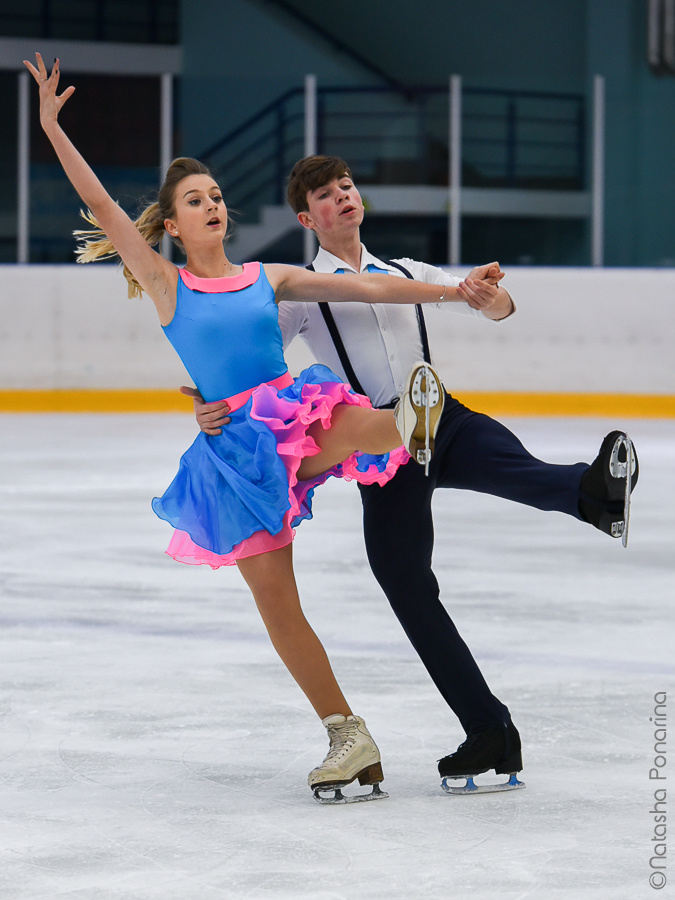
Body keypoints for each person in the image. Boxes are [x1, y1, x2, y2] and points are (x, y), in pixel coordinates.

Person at [23, 54, 508, 803]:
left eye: (216, 195)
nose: (212, 205)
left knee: (338, 419)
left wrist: (452, 294)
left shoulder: (268, 278)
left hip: (293, 422)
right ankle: (348, 737)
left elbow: (371, 283)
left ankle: (405, 421)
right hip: (234, 459)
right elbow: (102, 204)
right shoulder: (166, 284)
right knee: (279, 606)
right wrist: (53, 128)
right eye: (194, 199)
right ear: (174, 223)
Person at [189, 154, 639, 793]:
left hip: (440, 418)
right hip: (385, 447)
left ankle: (596, 493)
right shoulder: (302, 291)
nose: (342, 198)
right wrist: (216, 404)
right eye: (326, 195)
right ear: (305, 217)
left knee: (519, 469)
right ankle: (489, 729)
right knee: (405, 584)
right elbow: (253, 355)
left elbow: (492, 306)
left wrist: (489, 293)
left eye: (347, 186)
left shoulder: (406, 273)